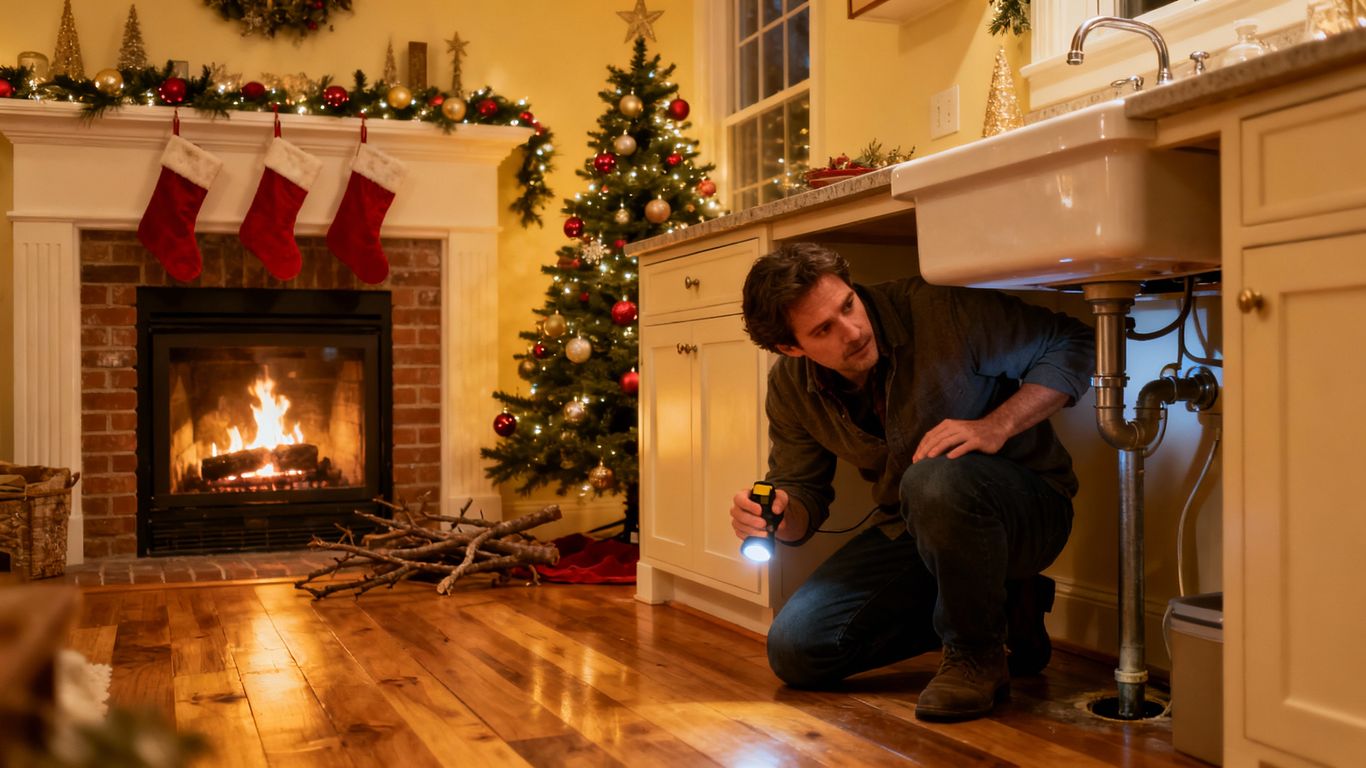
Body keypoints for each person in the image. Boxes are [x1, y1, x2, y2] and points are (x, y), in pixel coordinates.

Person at [730, 242, 1094, 722]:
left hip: (1027, 510)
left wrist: (996, 425)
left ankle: (975, 657)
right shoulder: (789, 388)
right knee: (798, 650)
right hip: (913, 530)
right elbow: (803, 499)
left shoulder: (940, 308)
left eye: (848, 305)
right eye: (824, 329)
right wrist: (774, 514)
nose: (854, 331)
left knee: (933, 479)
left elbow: (1075, 342)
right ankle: (1007, 605)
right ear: (792, 348)